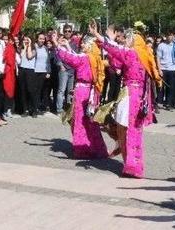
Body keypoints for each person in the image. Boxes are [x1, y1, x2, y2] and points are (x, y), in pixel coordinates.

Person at [89, 21, 161, 178]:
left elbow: (115, 50)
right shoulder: (141, 55)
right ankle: (131, 163)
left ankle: (132, 165)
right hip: (135, 95)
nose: (125, 41)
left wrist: (100, 36)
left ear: (134, 41)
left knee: (127, 128)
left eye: (128, 39)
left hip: (130, 95)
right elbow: (117, 64)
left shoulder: (133, 54)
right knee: (129, 129)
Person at [51, 32, 108, 159]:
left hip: (82, 91)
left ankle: (83, 149)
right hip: (90, 90)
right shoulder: (93, 57)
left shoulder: (85, 57)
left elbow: (71, 58)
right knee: (91, 120)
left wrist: (56, 44)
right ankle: (96, 148)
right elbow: (76, 57)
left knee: (80, 120)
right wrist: (67, 46)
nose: (81, 45)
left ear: (89, 45)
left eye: (83, 43)